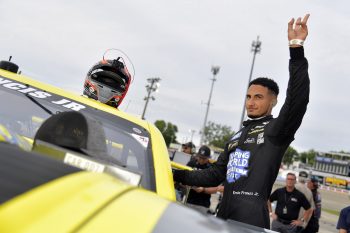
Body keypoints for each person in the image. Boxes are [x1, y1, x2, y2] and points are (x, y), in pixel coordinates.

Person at [173, 14, 310, 228]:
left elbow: (297, 100)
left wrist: (296, 49)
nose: (251, 102)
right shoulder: (237, 136)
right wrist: (176, 174)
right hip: (224, 216)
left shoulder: (276, 130)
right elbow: (214, 175)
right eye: (248, 97)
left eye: (258, 97)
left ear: (273, 101)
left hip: (250, 221)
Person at [185, 145, 213, 213]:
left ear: (208, 158)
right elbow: (183, 177)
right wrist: (186, 184)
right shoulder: (192, 163)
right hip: (189, 200)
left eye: (204, 158)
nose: (201, 160)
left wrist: (203, 189)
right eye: (200, 157)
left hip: (203, 204)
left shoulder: (211, 168)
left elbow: (215, 188)